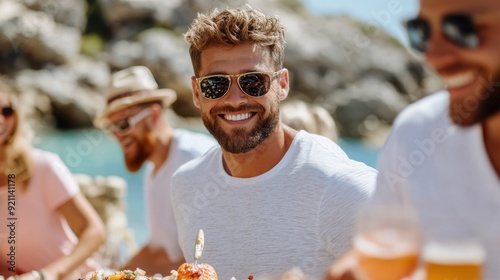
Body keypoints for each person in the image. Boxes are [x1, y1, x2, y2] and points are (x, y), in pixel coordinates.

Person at [170, 6, 377, 280]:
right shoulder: (186, 184)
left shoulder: (342, 188)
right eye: (215, 84)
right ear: (197, 93)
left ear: (282, 84)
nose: (234, 99)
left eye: (253, 81)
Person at [326, 0, 500, 279]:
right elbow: (380, 254)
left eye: (462, 28)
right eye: (422, 31)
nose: (434, 57)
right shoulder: (417, 131)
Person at [93, 66, 218, 274]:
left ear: (153, 115)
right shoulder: (152, 171)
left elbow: (209, 259)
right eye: (111, 128)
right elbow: (157, 250)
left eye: (123, 125)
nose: (117, 135)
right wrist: (107, 275)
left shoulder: (195, 158)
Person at [0, 80, 106, 279]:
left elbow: (94, 231)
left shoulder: (43, 167)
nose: (1, 119)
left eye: (6, 111)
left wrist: (48, 274)